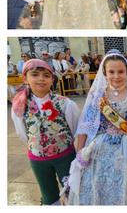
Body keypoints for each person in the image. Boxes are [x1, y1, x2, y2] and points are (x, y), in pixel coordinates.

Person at [70, 52, 127, 205]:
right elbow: (85, 126)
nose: (116, 76)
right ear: (104, 73)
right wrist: (80, 154)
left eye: (121, 71)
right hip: (100, 147)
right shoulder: (98, 97)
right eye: (111, 72)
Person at [10, 60, 80, 205]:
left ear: (52, 79)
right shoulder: (19, 106)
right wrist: (38, 146)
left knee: (71, 190)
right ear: (25, 78)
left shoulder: (65, 103)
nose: (41, 79)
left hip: (65, 156)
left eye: (46, 75)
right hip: (38, 159)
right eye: (35, 75)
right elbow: (23, 133)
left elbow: (75, 130)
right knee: (48, 194)